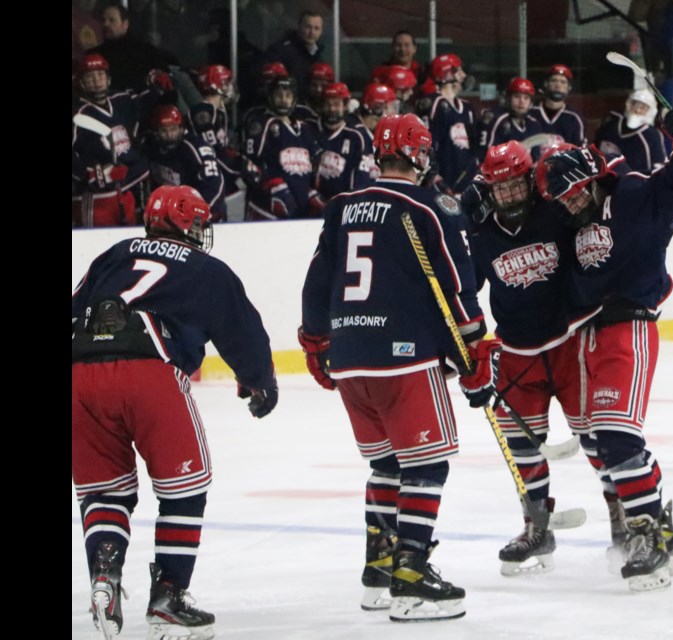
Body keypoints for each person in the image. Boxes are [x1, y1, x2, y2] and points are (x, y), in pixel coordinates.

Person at [299, 113, 499, 622]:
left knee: (385, 464)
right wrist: (475, 354)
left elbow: (316, 284)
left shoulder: (341, 207)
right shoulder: (431, 207)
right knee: (426, 464)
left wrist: (315, 344)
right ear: (419, 154)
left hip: (349, 361)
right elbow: (459, 290)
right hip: (405, 360)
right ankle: (411, 576)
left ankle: (379, 569)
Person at [72, 184, 278, 639]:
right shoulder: (205, 267)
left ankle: (105, 573)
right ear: (188, 223)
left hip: (80, 374)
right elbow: (243, 330)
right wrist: (260, 380)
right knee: (185, 486)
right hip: (148, 372)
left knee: (105, 493)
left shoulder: (114, 253)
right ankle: (168, 595)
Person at [534, 104, 673, 592]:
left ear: (592, 178)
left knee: (616, 437)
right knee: (597, 443)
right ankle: (652, 524)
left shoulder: (632, 194)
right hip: (584, 336)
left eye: (574, 194)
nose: (570, 205)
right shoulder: (570, 220)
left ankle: (647, 535)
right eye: (561, 199)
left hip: (628, 329)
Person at [461, 140, 629, 576]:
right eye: (500, 189)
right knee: (523, 446)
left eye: (516, 185)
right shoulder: (481, 235)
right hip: (517, 355)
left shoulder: (557, 214)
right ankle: (537, 528)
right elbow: (463, 289)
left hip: (570, 343)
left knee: (597, 440)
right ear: (489, 189)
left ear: (528, 182)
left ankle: (623, 522)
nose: (510, 196)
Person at [72, 53, 168, 227]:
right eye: (90, 76)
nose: (96, 80)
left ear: (108, 79)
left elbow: (146, 96)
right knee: (98, 245)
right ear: (81, 82)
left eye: (100, 75)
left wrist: (157, 81)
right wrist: (88, 174)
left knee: (138, 237)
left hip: (131, 186)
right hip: (98, 195)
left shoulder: (121, 100)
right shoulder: (78, 113)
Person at [243, 75, 324, 220]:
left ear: (294, 99)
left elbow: (313, 166)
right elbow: (248, 163)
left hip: (299, 211)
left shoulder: (304, 129)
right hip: (265, 211)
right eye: (279, 95)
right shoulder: (262, 124)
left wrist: (311, 192)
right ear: (270, 97)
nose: (283, 100)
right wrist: (271, 185)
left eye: (288, 95)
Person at [142, 104, 227, 222]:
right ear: (156, 131)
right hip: (170, 217)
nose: (169, 135)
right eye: (164, 131)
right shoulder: (150, 148)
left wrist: (202, 212)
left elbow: (214, 185)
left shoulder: (196, 148)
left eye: (173, 129)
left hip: (201, 216)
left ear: (181, 128)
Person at [419, 53, 478, 195]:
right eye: (459, 71)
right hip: (442, 187)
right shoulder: (434, 104)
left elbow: (474, 148)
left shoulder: (467, 107)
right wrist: (435, 178)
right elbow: (426, 146)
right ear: (447, 74)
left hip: (464, 185)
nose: (463, 75)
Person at [90, 2, 180, 93]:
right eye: (103, 20)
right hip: (129, 101)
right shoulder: (96, 56)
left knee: (180, 77)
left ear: (125, 24)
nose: (106, 24)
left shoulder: (144, 49)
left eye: (111, 20)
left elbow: (163, 65)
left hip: (157, 98)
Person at [308, 81, 373, 202]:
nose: (332, 108)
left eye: (336, 104)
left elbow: (362, 178)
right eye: (328, 104)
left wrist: (349, 203)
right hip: (309, 205)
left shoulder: (356, 136)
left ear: (345, 106)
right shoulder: (308, 130)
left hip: (343, 206)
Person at [187, 64, 243, 197]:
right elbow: (212, 151)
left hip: (217, 174)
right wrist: (239, 168)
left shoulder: (217, 111)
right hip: (205, 178)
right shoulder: (203, 112)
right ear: (214, 85)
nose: (229, 86)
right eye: (225, 82)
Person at [594, 88, 670, 174]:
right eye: (635, 104)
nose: (637, 110)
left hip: (639, 184)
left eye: (643, 107)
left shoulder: (652, 135)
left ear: (650, 111)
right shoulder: (610, 126)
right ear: (628, 104)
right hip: (608, 181)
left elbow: (659, 167)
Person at [478, 77, 544, 161]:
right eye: (517, 96)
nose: (521, 102)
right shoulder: (499, 120)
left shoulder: (534, 124)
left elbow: (536, 158)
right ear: (508, 99)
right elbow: (489, 155)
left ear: (531, 102)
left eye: (526, 98)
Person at [263, 9, 325, 91]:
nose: (312, 32)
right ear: (299, 27)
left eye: (316, 28)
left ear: (321, 31)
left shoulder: (317, 55)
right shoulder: (280, 51)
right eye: (308, 27)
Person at [530, 64, 587, 147]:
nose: (558, 85)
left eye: (563, 82)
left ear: (569, 87)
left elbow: (580, 151)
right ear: (546, 84)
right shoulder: (531, 112)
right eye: (554, 80)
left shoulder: (575, 118)